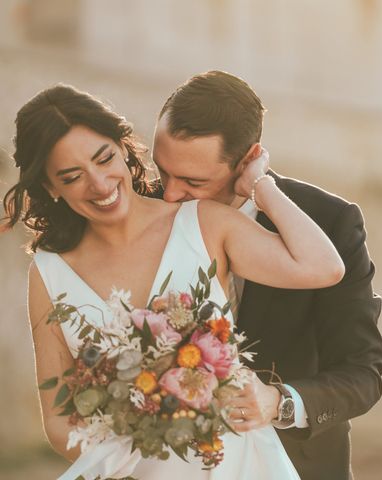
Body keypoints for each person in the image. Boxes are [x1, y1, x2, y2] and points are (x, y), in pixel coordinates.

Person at [2, 84, 346, 479]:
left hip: (242, 465)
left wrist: (260, 186)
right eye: (72, 176)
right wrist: (138, 459)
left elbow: (322, 267)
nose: (98, 184)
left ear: (124, 146)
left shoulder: (201, 221)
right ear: (51, 188)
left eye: (104, 158)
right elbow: (59, 419)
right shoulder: (48, 273)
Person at [152, 71, 382, 480]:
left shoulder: (331, 222)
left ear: (247, 160)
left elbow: (362, 373)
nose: (169, 194)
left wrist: (277, 402)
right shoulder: (146, 208)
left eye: (192, 181)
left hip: (296, 465)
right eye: (162, 171)